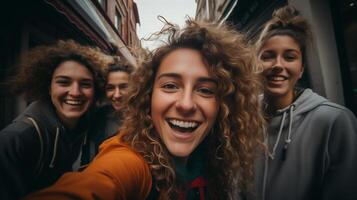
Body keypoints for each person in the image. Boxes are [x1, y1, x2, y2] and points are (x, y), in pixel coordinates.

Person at [25, 19, 264, 200]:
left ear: (223, 104)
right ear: (148, 97)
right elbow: (100, 182)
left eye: (205, 90)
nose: (186, 104)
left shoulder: (216, 157)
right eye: (170, 86)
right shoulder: (130, 161)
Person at [251, 5, 357, 200]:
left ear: (301, 69)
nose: (278, 65)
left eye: (289, 57)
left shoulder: (334, 121)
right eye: (268, 56)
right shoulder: (243, 118)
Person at [0, 40, 110, 200]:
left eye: (85, 84)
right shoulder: (14, 141)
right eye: (64, 82)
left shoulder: (86, 123)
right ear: (48, 86)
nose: (75, 92)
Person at [86, 58, 133, 162]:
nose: (117, 95)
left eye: (124, 87)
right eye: (110, 88)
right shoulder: (99, 116)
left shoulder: (147, 117)